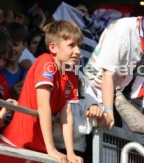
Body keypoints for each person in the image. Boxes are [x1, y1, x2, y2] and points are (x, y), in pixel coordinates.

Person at [0, 21, 83, 163]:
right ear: (53, 47)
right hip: (15, 144)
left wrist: (70, 153)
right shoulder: (46, 61)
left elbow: (66, 114)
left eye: (79, 46)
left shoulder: (70, 72)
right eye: (71, 45)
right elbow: (43, 106)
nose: (78, 52)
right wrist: (51, 150)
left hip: (39, 149)